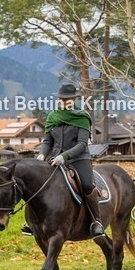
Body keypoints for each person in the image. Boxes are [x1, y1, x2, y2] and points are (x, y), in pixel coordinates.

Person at [22, 83, 104, 238]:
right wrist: (41, 155)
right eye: (61, 99)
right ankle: (32, 223)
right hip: (54, 158)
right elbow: (48, 142)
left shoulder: (82, 117)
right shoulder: (53, 116)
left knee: (87, 185)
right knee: (36, 182)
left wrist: (63, 156)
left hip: (79, 158)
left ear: (74, 99)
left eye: (67, 99)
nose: (64, 102)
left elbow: (82, 144)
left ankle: (96, 221)